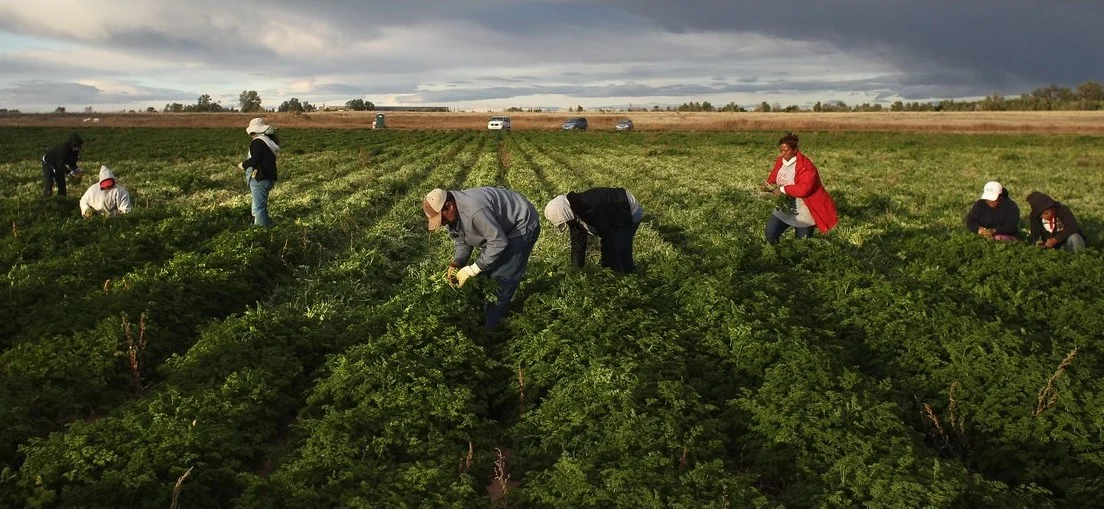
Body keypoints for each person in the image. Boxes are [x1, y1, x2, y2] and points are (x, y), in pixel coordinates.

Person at [423, 187, 541, 329]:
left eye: (441, 219)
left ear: (449, 206)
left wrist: (473, 269)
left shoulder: (474, 210)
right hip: (499, 230)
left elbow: (498, 242)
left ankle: (491, 331)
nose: (442, 223)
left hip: (521, 223)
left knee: (500, 280)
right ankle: (484, 316)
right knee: (484, 275)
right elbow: (462, 241)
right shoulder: (452, 217)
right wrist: (457, 263)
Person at [759, 132, 838, 243]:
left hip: (803, 211)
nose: (783, 153)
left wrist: (782, 189)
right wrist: (768, 185)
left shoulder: (806, 166)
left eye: (786, 151)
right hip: (784, 208)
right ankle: (777, 258)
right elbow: (774, 176)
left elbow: (804, 189)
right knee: (770, 234)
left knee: (802, 245)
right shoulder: (780, 161)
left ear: (795, 149)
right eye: (781, 151)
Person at [542, 187, 643, 273]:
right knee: (618, 253)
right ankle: (624, 272)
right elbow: (578, 243)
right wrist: (576, 270)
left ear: (566, 214)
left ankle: (624, 277)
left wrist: (607, 269)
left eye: (566, 221)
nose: (568, 224)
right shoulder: (573, 213)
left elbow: (608, 237)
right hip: (612, 213)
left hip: (628, 208)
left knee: (618, 250)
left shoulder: (590, 208)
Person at [236, 118, 279, 226]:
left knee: (258, 208)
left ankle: (261, 231)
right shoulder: (269, 142)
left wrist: (243, 165)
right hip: (269, 177)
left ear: (253, 131)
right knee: (262, 205)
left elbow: (256, 159)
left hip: (260, 177)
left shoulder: (257, 142)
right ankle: (267, 225)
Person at [42, 132, 84, 197]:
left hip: (58, 165)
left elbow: (72, 163)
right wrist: (70, 172)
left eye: (79, 146)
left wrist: (76, 170)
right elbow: (60, 165)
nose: (78, 148)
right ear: (72, 145)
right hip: (48, 162)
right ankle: (46, 200)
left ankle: (61, 200)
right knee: (49, 185)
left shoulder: (75, 151)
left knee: (62, 185)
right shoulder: (63, 150)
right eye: (76, 146)